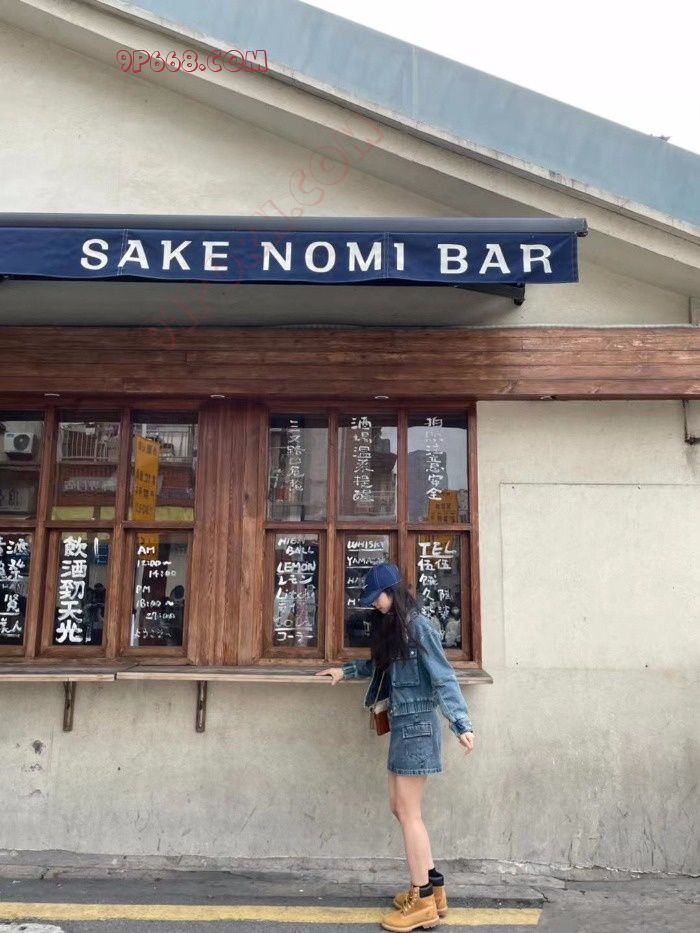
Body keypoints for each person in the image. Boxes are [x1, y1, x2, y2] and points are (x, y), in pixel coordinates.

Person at [316, 563, 475, 932]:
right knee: (400, 808)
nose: (375, 604)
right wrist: (344, 671)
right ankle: (434, 888)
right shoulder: (397, 626)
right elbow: (380, 667)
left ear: (394, 592)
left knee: (409, 813)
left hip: (418, 726)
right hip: (404, 725)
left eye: (379, 597)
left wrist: (462, 724)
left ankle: (422, 901)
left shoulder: (420, 627)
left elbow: (444, 677)